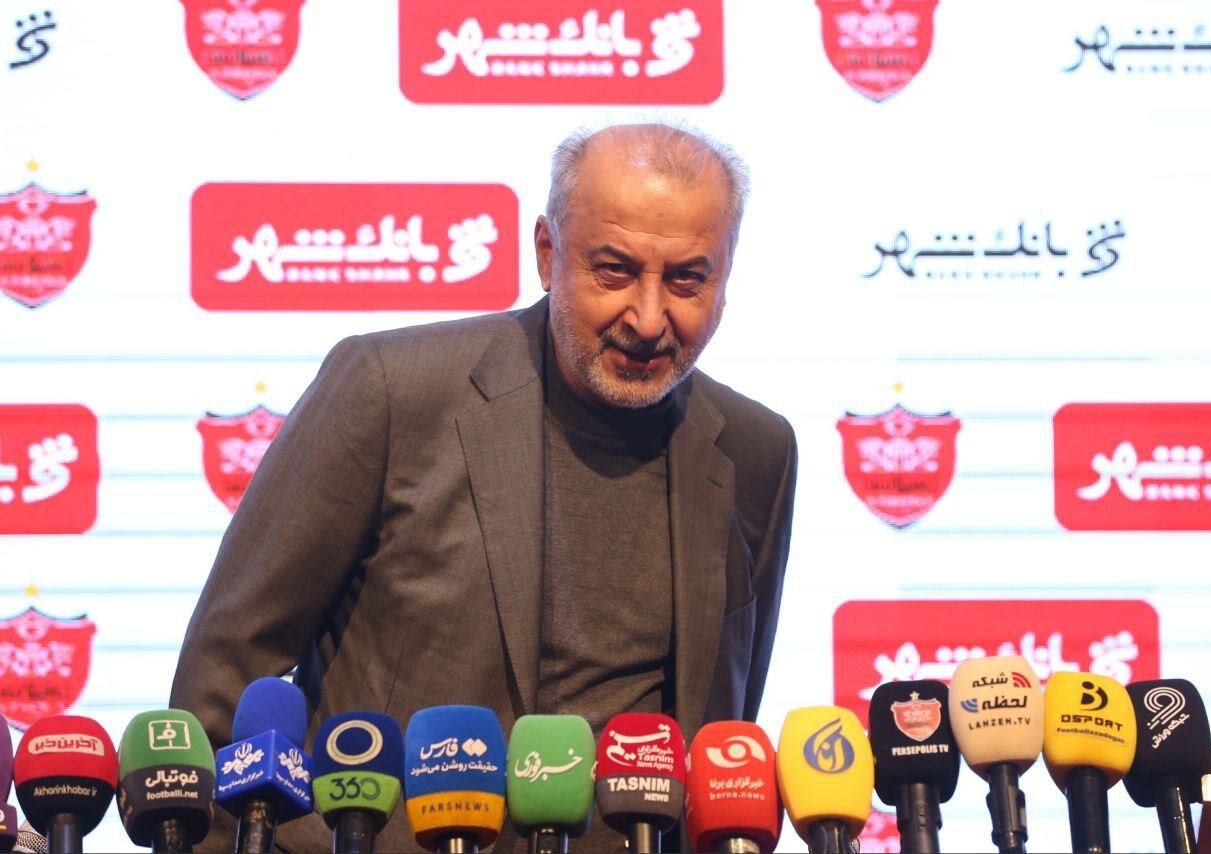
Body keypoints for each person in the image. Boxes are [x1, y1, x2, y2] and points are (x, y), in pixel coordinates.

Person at [170, 120, 798, 852]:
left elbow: (724, 731)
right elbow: (225, 676)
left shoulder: (757, 451)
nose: (649, 317)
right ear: (548, 254)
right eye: (614, 270)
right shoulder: (389, 391)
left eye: (687, 278)